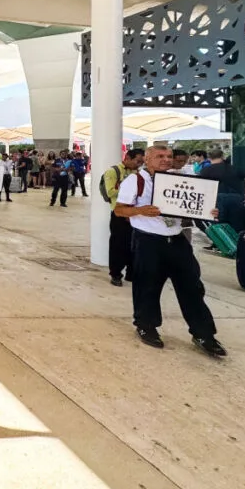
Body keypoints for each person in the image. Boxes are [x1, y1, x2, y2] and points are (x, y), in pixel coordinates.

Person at [115, 146, 225, 357]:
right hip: (148, 240)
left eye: (169, 156)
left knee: (192, 287)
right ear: (147, 159)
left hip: (176, 239)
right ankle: (146, 325)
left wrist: (206, 210)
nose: (166, 160)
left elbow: (191, 207)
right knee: (147, 286)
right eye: (160, 156)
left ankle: (204, 334)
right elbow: (120, 210)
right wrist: (140, 211)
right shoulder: (135, 181)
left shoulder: (180, 179)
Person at [100, 149, 144, 287]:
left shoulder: (138, 173)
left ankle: (132, 272)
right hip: (119, 214)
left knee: (135, 244)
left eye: (141, 162)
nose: (139, 165)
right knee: (118, 245)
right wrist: (131, 189)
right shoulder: (113, 172)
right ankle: (116, 274)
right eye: (137, 161)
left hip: (135, 214)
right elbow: (110, 191)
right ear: (127, 157)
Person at [199, 149, 245, 234]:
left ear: (209, 158)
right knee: (237, 225)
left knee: (219, 226)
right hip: (236, 198)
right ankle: (238, 244)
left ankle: (221, 245)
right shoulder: (234, 168)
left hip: (216, 200)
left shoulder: (205, 170)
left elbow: (201, 187)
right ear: (222, 156)